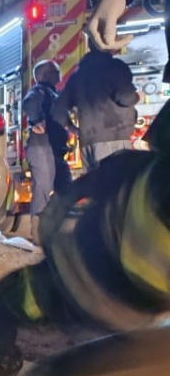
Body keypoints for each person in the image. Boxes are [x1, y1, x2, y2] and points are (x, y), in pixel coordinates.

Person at [51, 41, 139, 171]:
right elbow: (126, 98)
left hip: (88, 144)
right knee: (116, 182)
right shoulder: (115, 67)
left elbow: (58, 110)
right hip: (113, 139)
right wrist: (137, 96)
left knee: (95, 183)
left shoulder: (78, 74)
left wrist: (73, 128)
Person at [22, 59, 72, 233]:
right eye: (55, 72)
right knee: (43, 186)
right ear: (44, 75)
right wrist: (37, 121)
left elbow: (61, 118)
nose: (60, 75)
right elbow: (29, 103)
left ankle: (62, 227)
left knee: (66, 187)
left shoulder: (52, 93)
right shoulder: (39, 91)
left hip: (55, 148)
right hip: (42, 146)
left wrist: (74, 129)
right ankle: (38, 229)